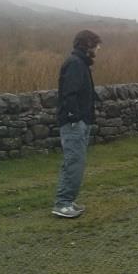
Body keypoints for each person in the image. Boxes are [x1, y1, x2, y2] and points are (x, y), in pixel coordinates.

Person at [52, 30, 101, 218]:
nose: (98, 49)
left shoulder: (80, 64)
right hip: (74, 124)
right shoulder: (75, 64)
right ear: (87, 45)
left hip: (81, 121)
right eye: (96, 45)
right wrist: (75, 118)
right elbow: (69, 94)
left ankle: (68, 201)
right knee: (74, 162)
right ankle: (62, 203)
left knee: (75, 162)